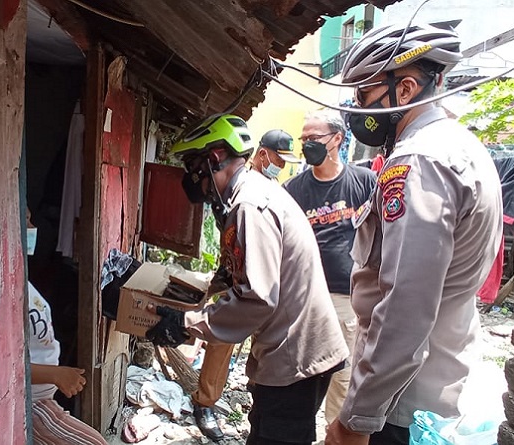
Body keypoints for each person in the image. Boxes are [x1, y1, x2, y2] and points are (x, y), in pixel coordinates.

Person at [325, 23, 503, 445]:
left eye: (365, 96)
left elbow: (405, 305)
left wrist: (357, 420)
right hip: (431, 384)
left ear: (404, 90)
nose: (357, 109)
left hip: (399, 407)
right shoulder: (462, 147)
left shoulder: (418, 163)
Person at [146, 114, 349, 445]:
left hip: (296, 356)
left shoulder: (249, 205)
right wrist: (196, 298)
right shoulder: (251, 193)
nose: (191, 178)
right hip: (293, 349)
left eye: (192, 166)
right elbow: (237, 274)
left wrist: (185, 323)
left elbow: (256, 299)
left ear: (213, 159)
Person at [190, 128, 302, 441]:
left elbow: (262, 293)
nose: (281, 164)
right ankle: (205, 400)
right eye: (279, 157)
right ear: (263, 154)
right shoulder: (239, 192)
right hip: (243, 277)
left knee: (247, 337)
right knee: (222, 336)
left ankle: (251, 392)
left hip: (269, 294)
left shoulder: (258, 194)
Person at [283, 110, 376, 425]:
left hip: (345, 299)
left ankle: (335, 432)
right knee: (302, 371)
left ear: (337, 139)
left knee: (343, 375)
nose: (307, 144)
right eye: (304, 139)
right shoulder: (293, 190)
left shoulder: (364, 182)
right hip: (305, 297)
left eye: (314, 138)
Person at [27, 211, 107, 445]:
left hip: (44, 397)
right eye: (27, 219)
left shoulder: (23, 280)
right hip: (32, 403)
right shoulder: (3, 291)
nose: (33, 226)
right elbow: (4, 369)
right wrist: (56, 374)